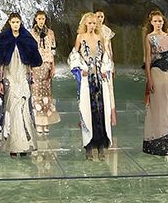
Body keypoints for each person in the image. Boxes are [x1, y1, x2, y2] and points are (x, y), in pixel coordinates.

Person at [0, 12, 42, 156]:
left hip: (22, 75)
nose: (15, 25)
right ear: (9, 23)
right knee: (11, 108)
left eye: (17, 22)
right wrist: (0, 81)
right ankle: (13, 145)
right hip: (9, 76)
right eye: (13, 22)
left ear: (20, 23)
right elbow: (1, 63)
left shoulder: (26, 38)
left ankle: (25, 143)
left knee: (24, 107)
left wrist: (31, 77)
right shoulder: (4, 39)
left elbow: (32, 61)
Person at [70, 11, 114, 159]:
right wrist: (80, 68)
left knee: (100, 112)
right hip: (86, 79)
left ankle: (101, 146)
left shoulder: (100, 37)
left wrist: (104, 69)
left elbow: (106, 57)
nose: (92, 25)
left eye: (94, 23)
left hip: (99, 81)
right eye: (89, 23)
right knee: (87, 111)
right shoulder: (80, 37)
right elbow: (74, 55)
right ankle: (88, 147)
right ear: (84, 24)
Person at [142, 9, 168, 156]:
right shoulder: (149, 38)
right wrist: (149, 79)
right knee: (158, 105)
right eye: (155, 21)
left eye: (160, 21)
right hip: (156, 72)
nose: (158, 23)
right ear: (151, 23)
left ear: (163, 22)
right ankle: (156, 140)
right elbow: (148, 60)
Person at [29, 11, 60, 133]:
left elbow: (53, 50)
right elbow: (30, 51)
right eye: (39, 18)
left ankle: (46, 122)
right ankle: (38, 121)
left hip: (47, 64)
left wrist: (53, 66)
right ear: (36, 19)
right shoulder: (31, 33)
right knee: (36, 92)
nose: (41, 21)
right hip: (36, 65)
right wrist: (29, 67)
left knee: (47, 93)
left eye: (43, 18)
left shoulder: (50, 33)